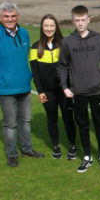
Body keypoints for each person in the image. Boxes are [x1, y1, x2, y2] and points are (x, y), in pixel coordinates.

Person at [0, 1, 44, 167]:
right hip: (5, 90)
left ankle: (27, 149)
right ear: (0, 17)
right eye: (6, 16)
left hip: (24, 87)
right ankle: (12, 154)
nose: (10, 19)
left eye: (13, 16)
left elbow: (23, 57)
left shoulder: (25, 34)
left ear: (18, 16)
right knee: (10, 123)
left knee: (26, 121)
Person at [57, 5, 100, 173]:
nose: (80, 23)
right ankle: (87, 156)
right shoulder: (67, 42)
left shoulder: (98, 38)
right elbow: (62, 66)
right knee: (83, 124)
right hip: (78, 91)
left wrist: (99, 78)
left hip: (96, 90)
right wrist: (65, 87)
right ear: (72, 21)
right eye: (77, 20)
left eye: (83, 20)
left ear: (88, 20)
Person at [30, 14, 77, 159]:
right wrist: (40, 91)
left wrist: (71, 88)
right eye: (46, 26)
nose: (49, 29)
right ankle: (56, 146)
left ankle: (72, 146)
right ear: (42, 28)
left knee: (68, 118)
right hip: (47, 92)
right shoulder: (35, 47)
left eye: (52, 26)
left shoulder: (65, 44)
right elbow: (35, 72)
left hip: (65, 90)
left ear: (56, 27)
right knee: (52, 119)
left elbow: (72, 67)